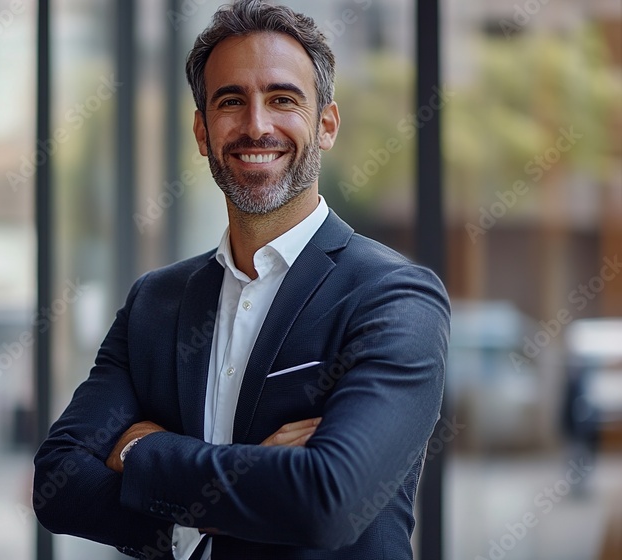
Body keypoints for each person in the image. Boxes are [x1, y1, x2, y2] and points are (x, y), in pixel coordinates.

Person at [32, 1, 449, 558]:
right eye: (231, 101)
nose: (257, 125)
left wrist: (138, 453)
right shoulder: (155, 303)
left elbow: (329, 502)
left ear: (325, 125)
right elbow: (58, 481)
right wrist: (252, 485)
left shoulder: (393, 298)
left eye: (282, 99)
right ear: (203, 131)